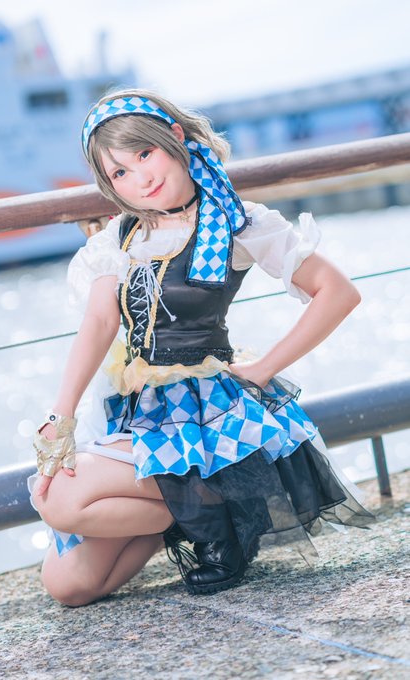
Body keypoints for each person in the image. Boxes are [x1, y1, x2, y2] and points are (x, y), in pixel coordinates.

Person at [31, 88, 375, 607]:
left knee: (62, 501)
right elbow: (100, 322)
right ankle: (199, 514)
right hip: (141, 413)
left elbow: (338, 293)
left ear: (175, 137)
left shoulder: (236, 221)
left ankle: (211, 511)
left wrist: (264, 368)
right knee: (69, 585)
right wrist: (61, 419)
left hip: (208, 416)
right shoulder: (119, 239)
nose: (140, 177)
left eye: (144, 153)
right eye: (120, 172)